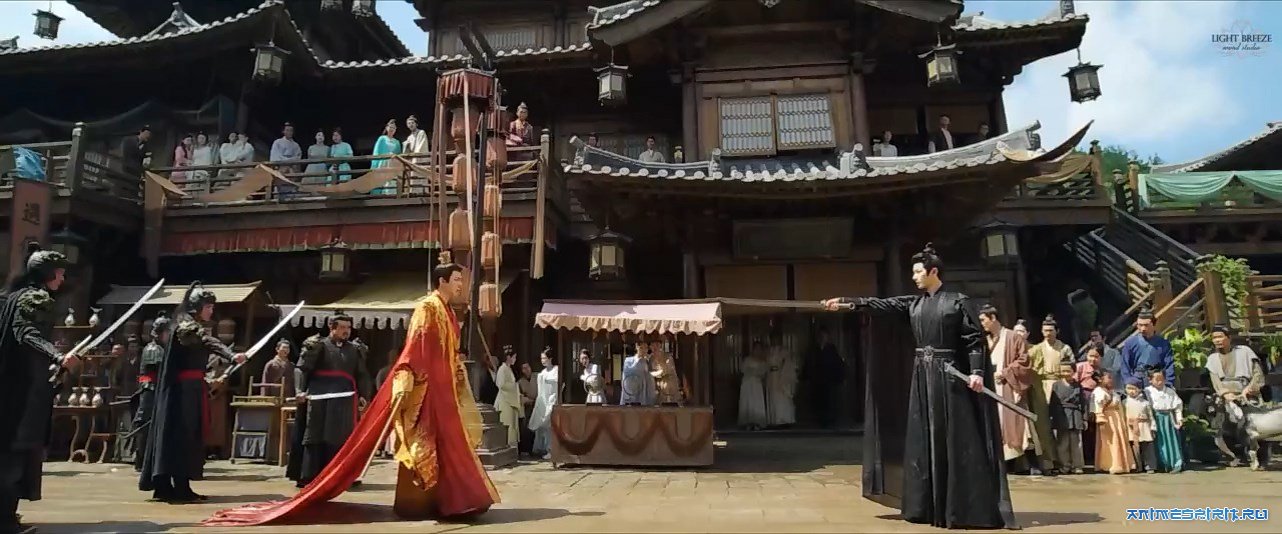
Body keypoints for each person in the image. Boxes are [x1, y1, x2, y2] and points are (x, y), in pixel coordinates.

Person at [206, 254, 498, 525]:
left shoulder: (447, 312)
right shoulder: (427, 307)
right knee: (334, 438)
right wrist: (407, 375)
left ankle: (454, 500)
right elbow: (415, 347)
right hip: (418, 389)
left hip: (432, 390)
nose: (461, 285)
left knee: (448, 445)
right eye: (456, 280)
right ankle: (417, 501)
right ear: (442, 281)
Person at [822, 243, 1016, 529]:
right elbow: (881, 305)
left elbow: (973, 340)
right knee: (923, 438)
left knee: (954, 438)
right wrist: (846, 302)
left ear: (933, 271)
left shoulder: (958, 302)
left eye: (917, 272)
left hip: (950, 378)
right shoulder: (914, 304)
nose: (914, 277)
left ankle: (959, 508)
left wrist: (976, 372)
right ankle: (924, 506)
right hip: (922, 378)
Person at [138, 282, 247, 503]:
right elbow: (207, 341)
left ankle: (173, 486)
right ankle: (178, 488)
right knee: (183, 437)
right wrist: (231, 355)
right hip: (181, 394)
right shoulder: (186, 326)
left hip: (190, 389)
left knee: (184, 437)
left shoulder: (189, 325)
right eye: (208, 307)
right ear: (197, 307)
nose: (211, 311)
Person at [0, 244, 80, 534]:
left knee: (13, 452)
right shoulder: (34, 297)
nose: (62, 278)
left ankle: (6, 516)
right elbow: (25, 333)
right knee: (14, 453)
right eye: (58, 273)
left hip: (19, 385)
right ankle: (5, 521)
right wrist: (57, 355)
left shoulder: (14, 296)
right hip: (21, 392)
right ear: (47, 273)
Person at [294, 315, 372, 488]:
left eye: (349, 328)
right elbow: (301, 369)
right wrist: (299, 390)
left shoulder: (354, 349)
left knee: (342, 436)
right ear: (332, 327)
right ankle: (310, 476)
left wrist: (364, 395)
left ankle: (340, 476)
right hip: (319, 396)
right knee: (315, 435)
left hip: (345, 398)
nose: (346, 331)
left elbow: (362, 374)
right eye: (343, 327)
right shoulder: (317, 345)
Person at [977, 305, 1032, 464]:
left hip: (1006, 384)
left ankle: (1014, 461)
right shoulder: (984, 340)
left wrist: (1006, 372)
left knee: (1010, 421)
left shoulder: (1013, 337)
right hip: (988, 385)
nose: (982, 324)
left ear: (993, 318)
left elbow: (1024, 361)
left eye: (983, 320)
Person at [1205, 324, 1265, 466]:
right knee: (1224, 424)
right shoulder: (1212, 359)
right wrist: (1225, 394)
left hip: (1246, 393)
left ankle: (1259, 456)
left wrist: (1249, 389)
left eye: (1220, 337)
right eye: (1214, 338)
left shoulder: (1245, 352)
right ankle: (1234, 455)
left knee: (1254, 425)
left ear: (1229, 337)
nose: (1217, 340)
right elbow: (1216, 381)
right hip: (1226, 396)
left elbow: (1258, 374)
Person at [1025, 315, 1068, 473]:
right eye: (1045, 331)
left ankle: (1063, 460)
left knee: (1061, 424)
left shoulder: (1064, 348)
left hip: (1059, 383)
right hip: (1041, 385)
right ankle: (1047, 459)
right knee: (1044, 425)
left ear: (1057, 331)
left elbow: (1070, 366)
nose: (1048, 333)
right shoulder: (1036, 349)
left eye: (1051, 330)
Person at [131, 313, 169, 471]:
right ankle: (141, 459)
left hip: (156, 389)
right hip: (150, 389)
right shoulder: (153, 349)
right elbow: (157, 370)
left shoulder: (162, 348)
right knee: (146, 425)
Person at [1091, 372, 1135, 474]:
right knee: (1110, 441)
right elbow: (1098, 407)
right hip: (1107, 419)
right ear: (1100, 379)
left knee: (1119, 439)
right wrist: (1100, 419)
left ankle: (1123, 464)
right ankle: (1110, 465)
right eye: (1108, 378)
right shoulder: (1098, 392)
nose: (1111, 380)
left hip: (1117, 418)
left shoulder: (1113, 392)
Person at [802, 328, 844, 429]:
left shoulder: (831, 349)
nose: (822, 338)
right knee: (818, 400)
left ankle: (829, 420)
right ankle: (819, 419)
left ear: (828, 337)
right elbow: (808, 363)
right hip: (817, 379)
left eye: (824, 336)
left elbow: (837, 364)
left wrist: (839, 377)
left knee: (829, 400)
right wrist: (806, 376)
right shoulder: (813, 349)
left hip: (828, 379)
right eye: (821, 336)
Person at [1145, 368, 1184, 473]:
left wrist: (1179, 418)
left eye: (1162, 379)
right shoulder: (1147, 391)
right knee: (1159, 442)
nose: (1160, 382)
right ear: (1150, 380)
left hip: (1168, 419)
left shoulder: (1170, 391)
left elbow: (1177, 406)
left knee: (1171, 441)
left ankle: (1175, 463)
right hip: (1156, 418)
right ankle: (1162, 464)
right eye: (1157, 379)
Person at [1121, 310, 1174, 387]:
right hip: (1136, 382)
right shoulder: (1130, 343)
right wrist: (1128, 382)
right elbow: (1125, 365)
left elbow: (1169, 365)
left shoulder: (1163, 344)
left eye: (1146, 325)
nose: (1143, 328)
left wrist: (1168, 383)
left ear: (1153, 324)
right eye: (1140, 325)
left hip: (1157, 382)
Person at [1049, 364, 1085, 474]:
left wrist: (1084, 418)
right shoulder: (1056, 385)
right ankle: (1064, 465)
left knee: (1076, 443)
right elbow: (1053, 403)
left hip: (1075, 415)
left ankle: (1077, 466)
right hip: (1061, 415)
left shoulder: (1078, 386)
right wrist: (1052, 417)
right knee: (1062, 443)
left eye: (1068, 371)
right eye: (1063, 371)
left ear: (1073, 371)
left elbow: (1083, 403)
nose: (1065, 373)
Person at [528, 349, 558, 460]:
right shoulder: (543, 373)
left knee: (551, 425)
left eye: (544, 358)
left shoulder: (556, 370)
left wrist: (554, 400)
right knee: (544, 426)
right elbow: (540, 391)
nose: (543, 360)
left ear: (550, 359)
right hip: (544, 401)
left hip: (553, 399)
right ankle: (545, 448)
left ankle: (552, 449)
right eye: (542, 358)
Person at [1123, 377, 1157, 473]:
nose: (1131, 391)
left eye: (1134, 389)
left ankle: (1149, 466)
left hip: (1144, 427)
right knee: (1134, 447)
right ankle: (1137, 466)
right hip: (1131, 427)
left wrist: (1153, 427)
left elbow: (1150, 416)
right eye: (1129, 388)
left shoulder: (1145, 403)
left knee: (1147, 447)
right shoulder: (1125, 402)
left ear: (1139, 389)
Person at [493, 347, 522, 447]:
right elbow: (501, 384)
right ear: (508, 357)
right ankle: (507, 446)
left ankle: (512, 446)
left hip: (510, 400)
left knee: (512, 425)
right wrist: (515, 386)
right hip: (505, 400)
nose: (515, 359)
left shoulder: (508, 369)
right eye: (514, 357)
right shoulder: (502, 369)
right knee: (507, 424)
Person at [765, 339, 796, 427]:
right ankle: (774, 419)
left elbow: (788, 363)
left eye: (777, 338)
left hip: (780, 376)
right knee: (773, 397)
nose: (775, 340)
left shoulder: (784, 351)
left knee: (782, 398)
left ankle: (784, 419)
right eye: (773, 338)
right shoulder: (768, 351)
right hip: (771, 376)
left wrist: (784, 376)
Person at [371, 119, 402, 194]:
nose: (392, 129)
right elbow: (376, 152)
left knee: (391, 181)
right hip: (383, 162)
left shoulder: (397, 142)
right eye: (390, 127)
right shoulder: (382, 139)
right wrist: (375, 164)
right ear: (387, 128)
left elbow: (399, 154)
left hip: (393, 164)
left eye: (393, 128)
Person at [517, 362, 537, 455]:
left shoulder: (537, 377)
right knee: (526, 427)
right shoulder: (520, 382)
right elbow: (520, 396)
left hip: (538, 404)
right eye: (524, 368)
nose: (527, 370)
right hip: (528, 406)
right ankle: (526, 449)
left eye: (528, 367)